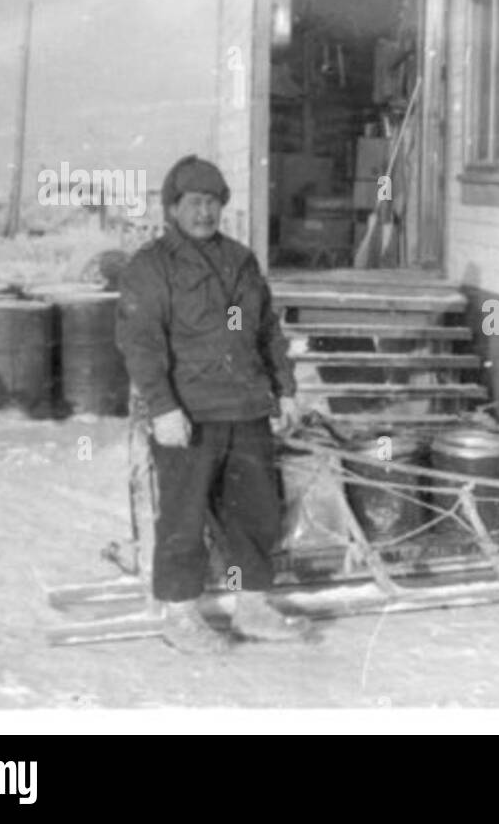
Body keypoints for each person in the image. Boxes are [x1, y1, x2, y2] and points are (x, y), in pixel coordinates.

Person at [116, 155, 303, 650]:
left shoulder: (240, 261)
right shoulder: (150, 268)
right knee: (184, 517)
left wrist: (284, 389)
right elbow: (141, 343)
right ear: (173, 207)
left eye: (214, 202)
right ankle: (180, 615)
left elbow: (264, 330)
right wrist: (162, 408)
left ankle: (253, 607)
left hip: (246, 409)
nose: (205, 212)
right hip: (189, 414)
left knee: (254, 513)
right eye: (195, 202)